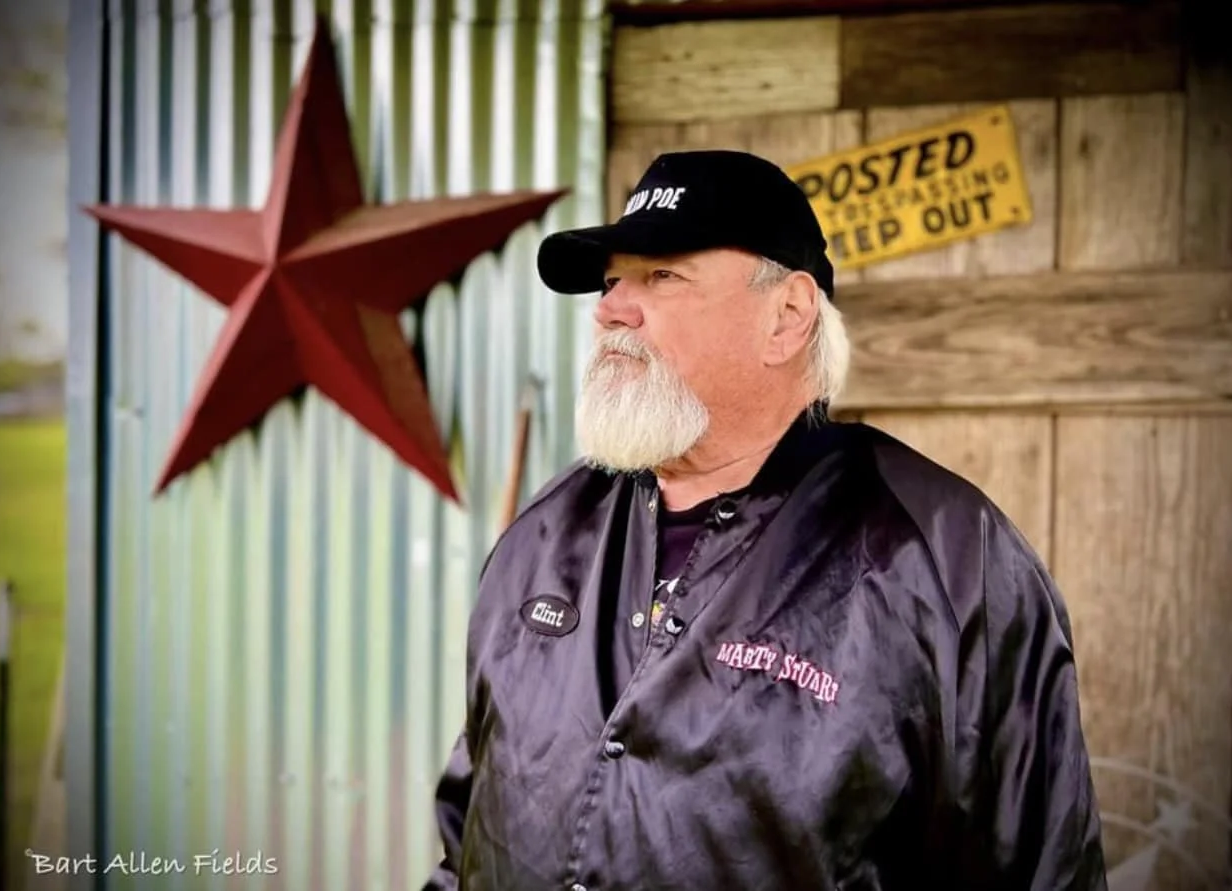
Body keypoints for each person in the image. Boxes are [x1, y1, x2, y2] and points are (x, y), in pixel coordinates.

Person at [424, 150, 1107, 890]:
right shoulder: (542, 536)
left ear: (785, 316)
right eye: (613, 278)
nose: (610, 307)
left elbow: (1037, 868)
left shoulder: (944, 558)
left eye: (661, 275)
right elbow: (468, 840)